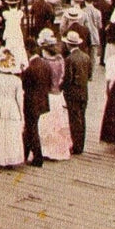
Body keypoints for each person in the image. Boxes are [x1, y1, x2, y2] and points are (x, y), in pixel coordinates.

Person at [0, 48, 25, 168]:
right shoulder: (17, 81)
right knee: (10, 132)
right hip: (11, 106)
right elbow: (19, 98)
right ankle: (9, 158)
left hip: (0, 105)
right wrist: (21, 114)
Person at [37, 31, 72, 161]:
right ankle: (58, 150)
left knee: (46, 124)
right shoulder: (60, 60)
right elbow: (62, 77)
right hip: (58, 94)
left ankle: (46, 150)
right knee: (57, 124)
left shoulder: (44, 63)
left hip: (48, 95)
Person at [21, 40, 52, 168]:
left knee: (32, 129)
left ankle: (38, 157)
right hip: (42, 100)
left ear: (28, 51)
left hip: (31, 102)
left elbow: (24, 86)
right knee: (30, 128)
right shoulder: (46, 64)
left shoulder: (30, 69)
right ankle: (24, 153)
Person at [62, 32, 91, 155]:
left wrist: (63, 89)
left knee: (74, 119)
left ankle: (76, 145)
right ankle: (81, 144)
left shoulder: (69, 59)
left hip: (73, 92)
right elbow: (89, 74)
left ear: (68, 44)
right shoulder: (86, 57)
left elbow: (68, 79)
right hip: (84, 91)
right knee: (82, 118)